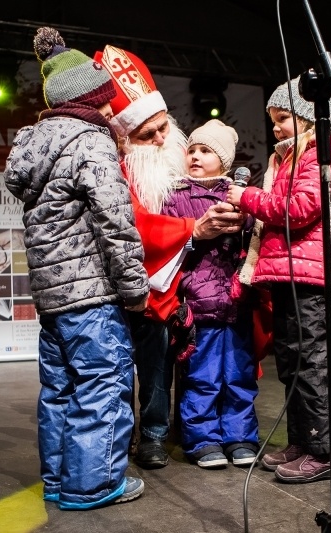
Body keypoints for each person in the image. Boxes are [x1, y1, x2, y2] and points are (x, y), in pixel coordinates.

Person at [3, 28, 148, 509]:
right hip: (92, 296)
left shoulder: (34, 146)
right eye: (106, 102)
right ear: (88, 100)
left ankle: (60, 480)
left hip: (53, 299)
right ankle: (94, 484)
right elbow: (116, 220)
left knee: (59, 389)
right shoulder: (90, 142)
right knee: (104, 384)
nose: (112, 111)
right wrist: (134, 287)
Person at [94, 45, 246, 469]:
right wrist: (191, 230)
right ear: (125, 137)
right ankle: (122, 437)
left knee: (161, 365)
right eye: (149, 135)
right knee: (118, 371)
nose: (163, 140)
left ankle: (157, 434)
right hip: (121, 283)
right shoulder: (117, 167)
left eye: (165, 127)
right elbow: (136, 225)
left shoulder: (176, 161)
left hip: (170, 288)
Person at [227, 75, 331, 483]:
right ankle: (303, 439)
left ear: (306, 117)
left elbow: (300, 208)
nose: (276, 128)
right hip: (289, 272)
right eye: (274, 120)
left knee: (311, 364)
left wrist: (247, 198)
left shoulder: (324, 156)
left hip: (311, 277)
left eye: (283, 118)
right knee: (293, 364)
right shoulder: (290, 158)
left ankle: (324, 450)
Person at [160, 119, 260, 469]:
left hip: (236, 303)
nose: (196, 156)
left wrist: (247, 215)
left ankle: (240, 437)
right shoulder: (176, 196)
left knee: (238, 375)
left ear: (226, 161)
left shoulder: (238, 194)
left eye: (206, 151)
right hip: (198, 305)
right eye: (192, 150)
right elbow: (170, 241)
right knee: (201, 377)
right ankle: (202, 440)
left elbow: (254, 236)